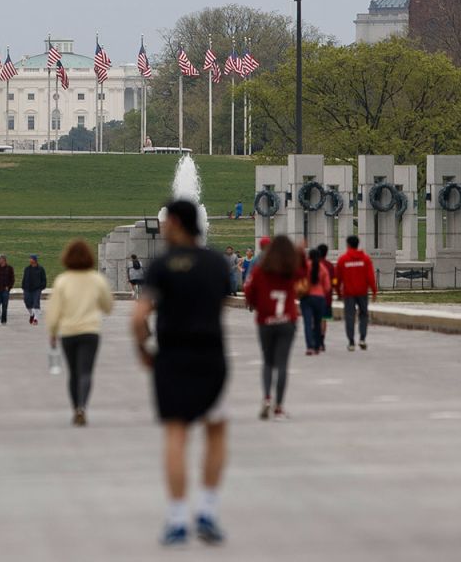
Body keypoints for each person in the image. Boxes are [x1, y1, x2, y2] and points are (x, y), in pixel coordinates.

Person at [130, 200, 230, 547]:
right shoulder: (217, 263)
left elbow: (138, 317)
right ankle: (207, 511)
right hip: (210, 357)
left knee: (176, 433)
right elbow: (219, 307)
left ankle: (176, 519)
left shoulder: (160, 266)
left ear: (175, 222)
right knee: (215, 429)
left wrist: (144, 350)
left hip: (171, 358)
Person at [46, 239, 115, 426]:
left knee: (73, 373)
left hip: (68, 333)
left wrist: (52, 332)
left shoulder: (62, 281)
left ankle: (75, 407)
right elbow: (108, 306)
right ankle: (82, 407)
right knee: (86, 371)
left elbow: (54, 311)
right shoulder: (96, 279)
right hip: (90, 331)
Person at [244, 235, 304, 420]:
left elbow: (249, 292)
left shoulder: (260, 270)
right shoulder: (290, 269)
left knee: (268, 362)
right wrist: (300, 254)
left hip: (266, 321)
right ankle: (279, 406)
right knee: (283, 363)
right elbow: (305, 276)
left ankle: (267, 398)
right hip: (287, 321)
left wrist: (256, 305)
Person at [335, 235, 377, 350]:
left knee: (350, 317)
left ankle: (351, 342)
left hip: (348, 293)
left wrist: (338, 292)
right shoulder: (365, 259)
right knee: (363, 315)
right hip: (362, 292)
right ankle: (362, 338)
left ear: (348, 245)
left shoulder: (343, 259)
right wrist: (374, 291)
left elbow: (337, 278)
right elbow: (370, 276)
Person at [300, 247, 332, 355]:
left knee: (308, 323)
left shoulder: (305, 267)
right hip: (319, 298)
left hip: (306, 298)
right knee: (318, 323)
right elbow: (327, 287)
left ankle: (310, 346)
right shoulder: (323, 268)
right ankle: (317, 346)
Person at [22, 254, 47, 325]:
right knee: (27, 303)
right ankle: (31, 314)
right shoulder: (27, 269)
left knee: (36, 303)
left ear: (35, 260)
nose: (30, 260)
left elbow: (44, 279)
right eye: (29, 258)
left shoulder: (41, 269)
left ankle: (35, 319)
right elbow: (24, 279)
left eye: (31, 259)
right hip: (27, 289)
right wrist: (23, 287)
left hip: (36, 289)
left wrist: (41, 287)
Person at [0, 254, 15, 324]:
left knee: (4, 306)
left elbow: (12, 279)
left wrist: (9, 287)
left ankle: (3, 319)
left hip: (5, 290)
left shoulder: (10, 268)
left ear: (4, 260)